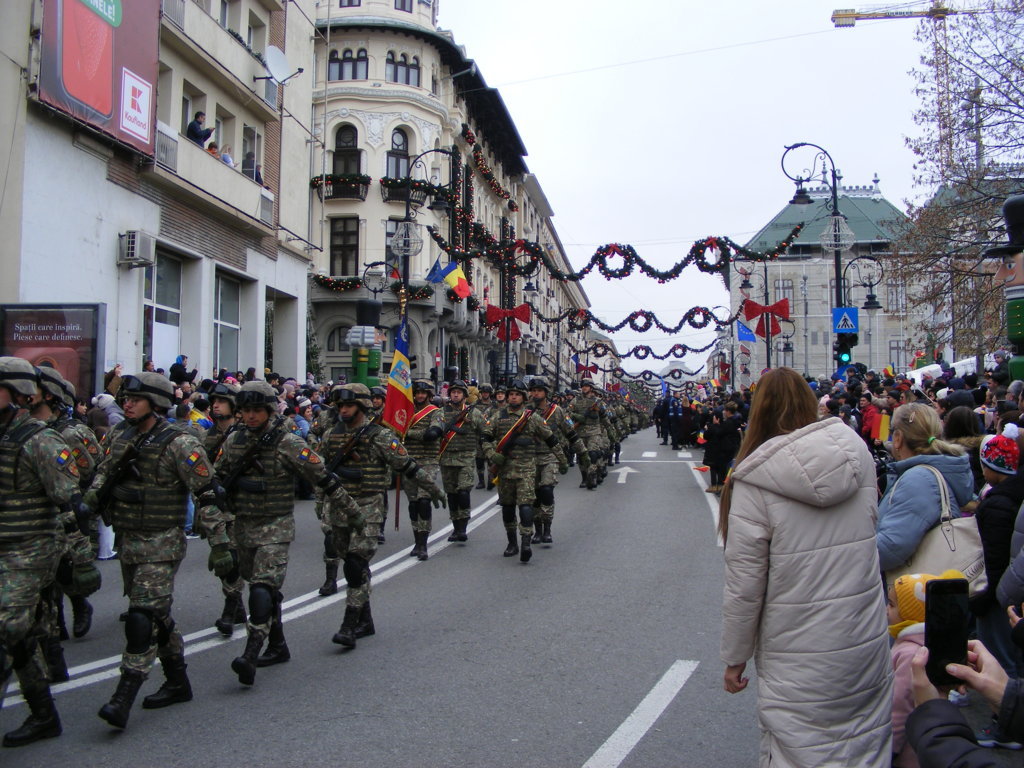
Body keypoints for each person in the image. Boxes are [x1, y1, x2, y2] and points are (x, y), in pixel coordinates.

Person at [719, 367, 893, 767]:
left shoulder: (755, 478)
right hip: (862, 634)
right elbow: (871, 527)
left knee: (798, 748)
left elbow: (745, 584)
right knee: (865, 743)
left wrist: (735, 655)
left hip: (797, 645)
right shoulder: (856, 452)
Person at [83, 373, 219, 730]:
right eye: (125, 398)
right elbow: (104, 475)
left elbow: (207, 493)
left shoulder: (180, 443)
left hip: (162, 542)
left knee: (141, 617)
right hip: (128, 538)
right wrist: (86, 506)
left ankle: (124, 695)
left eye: (136, 399)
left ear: (156, 403)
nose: (127, 404)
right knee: (157, 615)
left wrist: (220, 544)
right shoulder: (120, 435)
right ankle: (177, 681)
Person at [204, 381, 357, 685]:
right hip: (243, 526)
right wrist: (215, 527)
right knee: (263, 589)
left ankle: (250, 653)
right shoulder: (234, 441)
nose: (250, 416)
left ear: (270, 410)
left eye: (257, 410)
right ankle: (277, 645)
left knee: (261, 590)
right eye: (246, 410)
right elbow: (216, 480)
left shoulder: (288, 443)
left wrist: (352, 511)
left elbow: (323, 477)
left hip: (276, 526)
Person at [0, 357, 93, 748]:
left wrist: (81, 558)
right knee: (21, 635)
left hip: (30, 546)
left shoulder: (40, 440)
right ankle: (43, 714)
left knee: (5, 626)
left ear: (18, 393)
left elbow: (71, 503)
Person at [317, 383, 445, 648]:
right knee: (351, 562)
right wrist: (321, 503)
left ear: (362, 407)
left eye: (349, 405)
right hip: (339, 506)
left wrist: (433, 488)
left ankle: (349, 624)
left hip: (368, 505)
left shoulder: (380, 436)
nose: (343, 410)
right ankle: (366, 620)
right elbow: (320, 472)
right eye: (340, 405)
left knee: (355, 564)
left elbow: (407, 465)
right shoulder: (330, 435)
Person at [876, 402, 975, 574]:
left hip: (915, 583)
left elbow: (890, 548)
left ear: (898, 438)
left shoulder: (919, 478)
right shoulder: (930, 472)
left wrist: (848, 550)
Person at [481, 378, 566, 563]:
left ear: (523, 397)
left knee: (526, 506)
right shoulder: (498, 416)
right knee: (507, 507)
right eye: (511, 394)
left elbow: (551, 439)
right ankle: (512, 543)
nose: (513, 397)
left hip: (527, 469)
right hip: (505, 470)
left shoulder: (532, 418)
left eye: (517, 395)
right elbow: (485, 438)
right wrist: (491, 455)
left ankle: (526, 542)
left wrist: (562, 460)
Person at [887, 570, 965, 768]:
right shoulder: (923, 643)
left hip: (909, 747)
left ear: (910, 614)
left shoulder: (910, 653)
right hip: (927, 733)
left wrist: (891, 746)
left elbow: (901, 703)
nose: (887, 609)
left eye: (892, 605)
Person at [201, 381, 247, 637]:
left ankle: (230, 609)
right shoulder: (207, 435)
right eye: (213, 402)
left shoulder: (244, 434)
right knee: (221, 558)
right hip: (214, 505)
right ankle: (237, 604)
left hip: (238, 505)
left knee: (232, 557)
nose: (215, 406)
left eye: (221, 402)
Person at [527, 377, 582, 544]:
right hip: (529, 457)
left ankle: (547, 528)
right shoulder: (525, 410)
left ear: (546, 392)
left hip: (550, 455)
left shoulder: (556, 411)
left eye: (539, 391)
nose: (536, 394)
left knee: (546, 490)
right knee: (534, 495)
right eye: (533, 391)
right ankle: (538, 530)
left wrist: (583, 452)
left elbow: (570, 432)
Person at [437, 379, 487, 543]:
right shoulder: (441, 413)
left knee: (463, 492)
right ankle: (456, 526)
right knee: (452, 495)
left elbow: (487, 431)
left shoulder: (473, 413)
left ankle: (463, 527)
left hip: (466, 458)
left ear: (464, 396)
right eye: (453, 392)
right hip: (447, 458)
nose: (456, 395)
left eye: (459, 392)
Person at [401, 380, 445, 560]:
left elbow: (432, 434)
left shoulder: (436, 412)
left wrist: (408, 433)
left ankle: (423, 543)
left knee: (424, 501)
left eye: (423, 393)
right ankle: (417, 540)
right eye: (417, 393)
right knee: (413, 504)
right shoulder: (405, 412)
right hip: (408, 461)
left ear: (429, 395)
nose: (419, 396)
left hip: (428, 461)